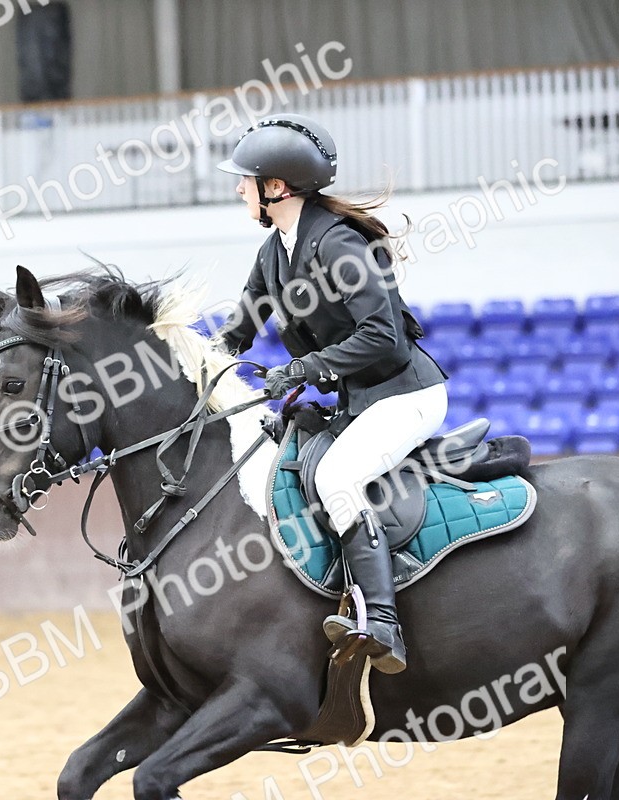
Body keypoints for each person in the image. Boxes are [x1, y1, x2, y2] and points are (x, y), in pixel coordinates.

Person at [216, 113, 448, 674]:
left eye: (246, 179)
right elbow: (236, 333)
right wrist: (190, 367)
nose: (239, 189)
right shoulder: (274, 253)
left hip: (405, 396)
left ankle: (383, 622)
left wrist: (303, 369)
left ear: (276, 187)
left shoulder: (338, 243)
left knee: (336, 477)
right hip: (358, 402)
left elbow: (382, 335)